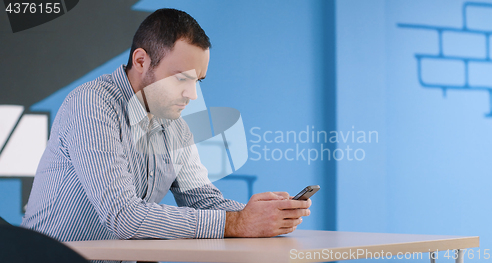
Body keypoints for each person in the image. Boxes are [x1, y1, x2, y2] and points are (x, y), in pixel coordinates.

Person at [21, 8, 311, 248]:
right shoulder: (91, 105)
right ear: (141, 61)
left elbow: (204, 201)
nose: (192, 95)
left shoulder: (176, 127)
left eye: (198, 81)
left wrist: (260, 216)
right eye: (181, 79)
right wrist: (238, 222)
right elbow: (123, 217)